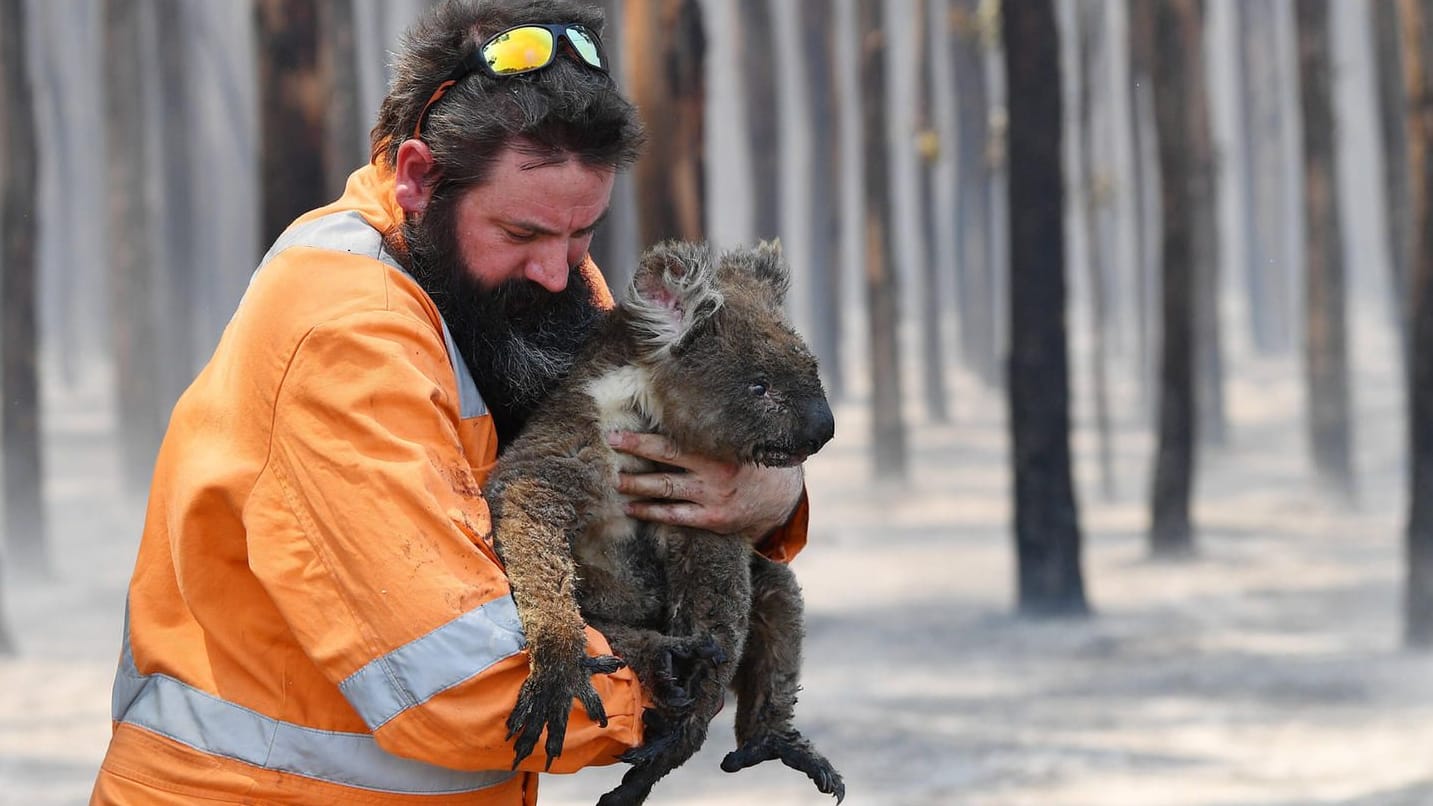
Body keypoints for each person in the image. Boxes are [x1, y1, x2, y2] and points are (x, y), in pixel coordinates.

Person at [88, 2, 809, 804]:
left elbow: (660, 465)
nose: (558, 268)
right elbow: (456, 683)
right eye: (523, 233)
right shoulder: (344, 337)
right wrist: (676, 688)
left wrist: (771, 496)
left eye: (583, 234)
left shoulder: (530, 289)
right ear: (419, 176)